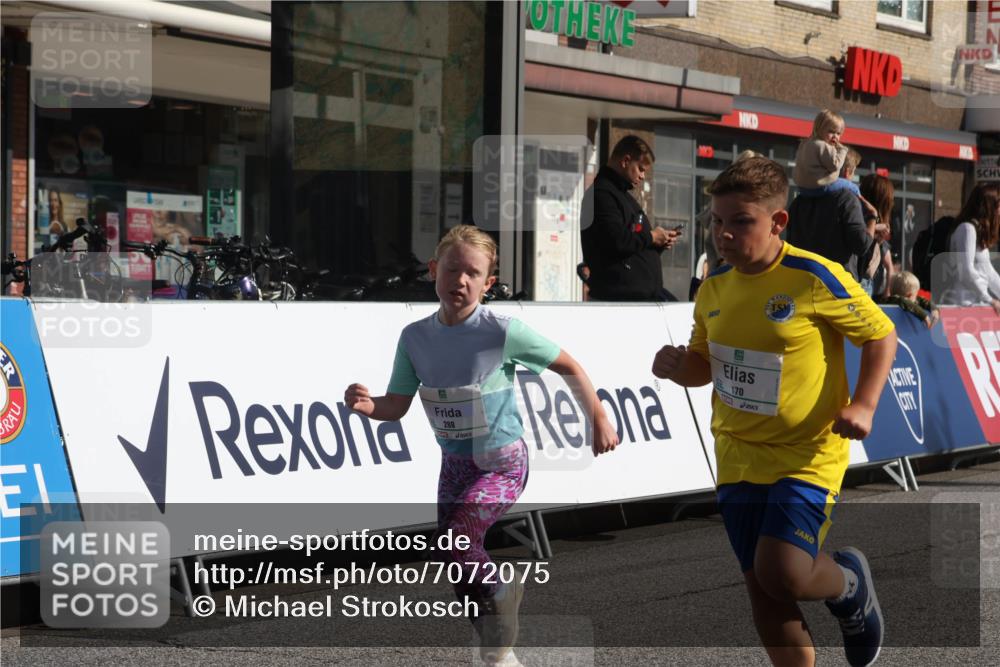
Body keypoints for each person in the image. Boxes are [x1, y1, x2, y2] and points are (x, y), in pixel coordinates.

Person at [651, 157, 897, 667]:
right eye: (717, 222)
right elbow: (705, 365)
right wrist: (681, 366)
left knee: (783, 571)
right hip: (738, 456)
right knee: (764, 591)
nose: (724, 234)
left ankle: (849, 585)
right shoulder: (714, 288)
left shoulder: (812, 276)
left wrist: (866, 404)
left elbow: (880, 334)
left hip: (806, 455)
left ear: (777, 222)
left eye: (741, 222)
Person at [344, 224, 619, 665]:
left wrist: (599, 418)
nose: (461, 280)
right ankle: (500, 654)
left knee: (457, 542)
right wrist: (367, 405)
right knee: (456, 560)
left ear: (489, 283)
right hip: (454, 465)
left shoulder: (501, 331)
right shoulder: (415, 337)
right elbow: (396, 404)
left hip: (502, 463)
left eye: (474, 273)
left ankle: (502, 595)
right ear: (434, 270)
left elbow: (568, 365)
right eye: (453, 269)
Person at [581, 135, 680, 301]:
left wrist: (657, 244)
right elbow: (617, 240)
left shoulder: (622, 196)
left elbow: (631, 245)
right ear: (626, 161)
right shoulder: (602, 194)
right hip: (620, 300)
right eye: (640, 169)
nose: (642, 176)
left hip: (637, 297)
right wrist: (651, 237)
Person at [938, 182, 1000, 314]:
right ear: (989, 205)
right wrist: (989, 299)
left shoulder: (977, 231)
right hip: (961, 305)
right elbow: (965, 270)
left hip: (976, 304)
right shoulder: (967, 229)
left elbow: (989, 272)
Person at [792, 109, 852, 196]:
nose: (835, 136)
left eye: (838, 133)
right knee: (851, 186)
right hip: (819, 186)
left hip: (802, 187)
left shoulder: (805, 143)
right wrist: (843, 150)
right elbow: (835, 165)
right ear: (820, 128)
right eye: (831, 131)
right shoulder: (823, 146)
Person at [859, 174, 895, 302]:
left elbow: (889, 265)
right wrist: (876, 228)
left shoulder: (869, 218)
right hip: (859, 281)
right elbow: (859, 237)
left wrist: (887, 291)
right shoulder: (862, 216)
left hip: (866, 282)